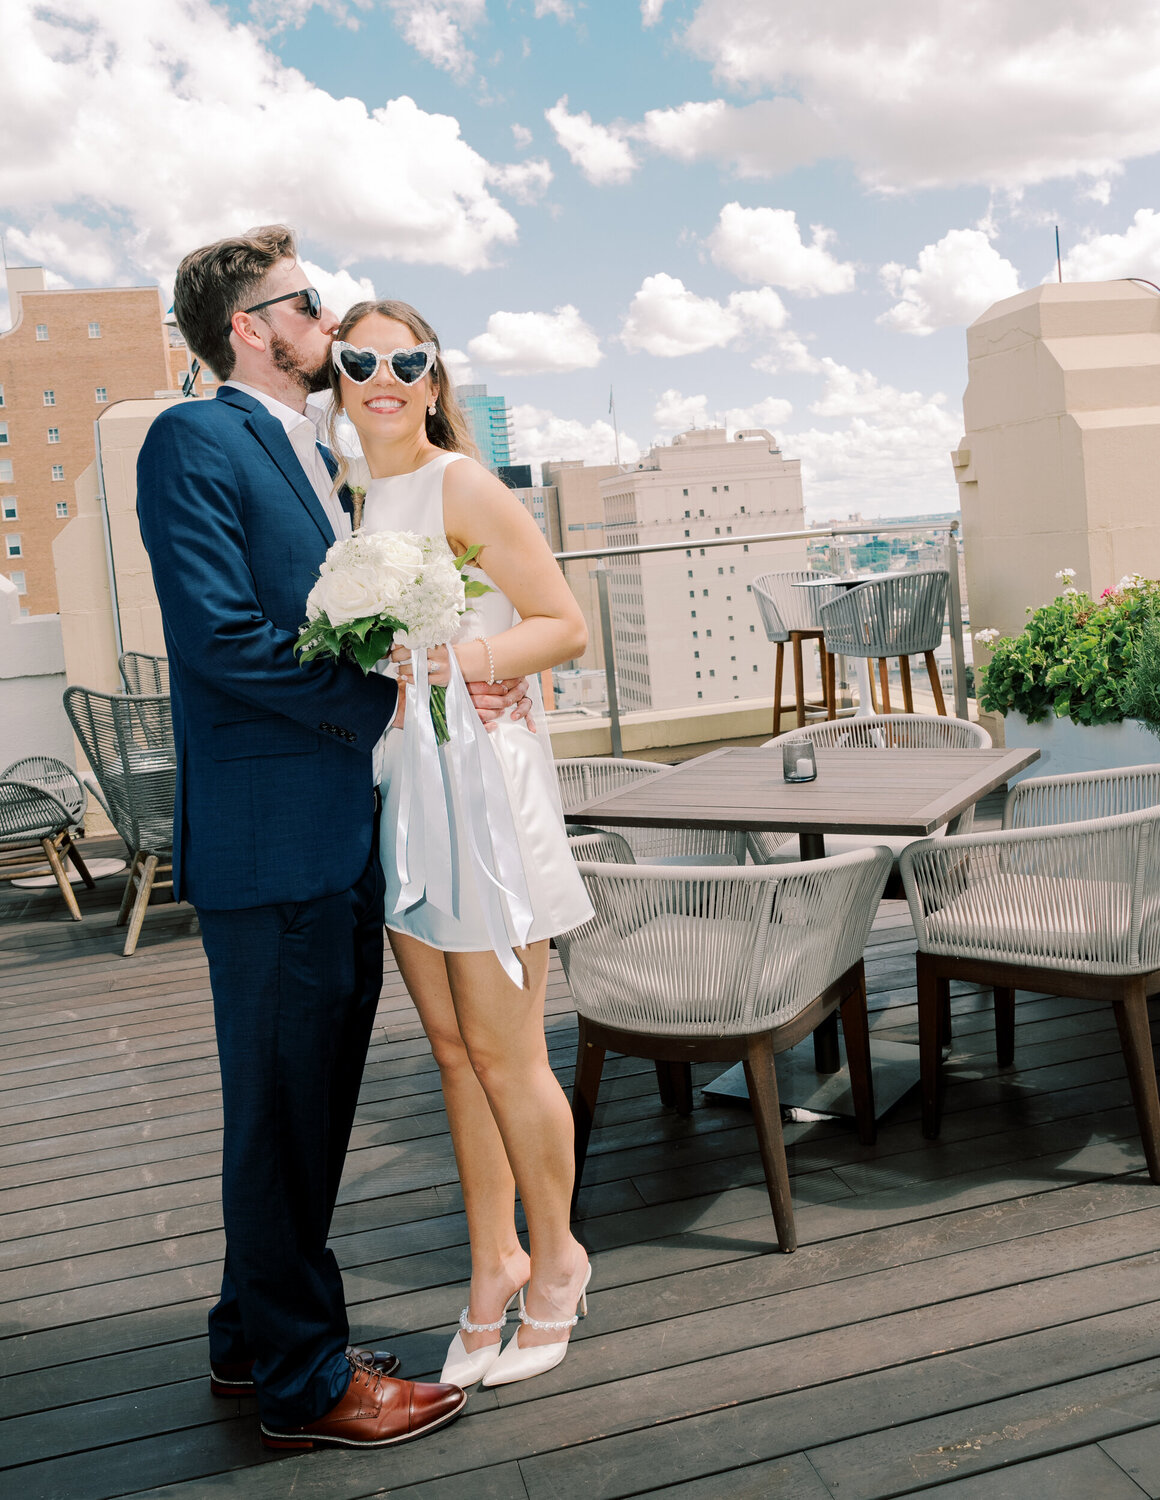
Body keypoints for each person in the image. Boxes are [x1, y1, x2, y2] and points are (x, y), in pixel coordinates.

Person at [136, 226, 531, 1451]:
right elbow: (217, 640)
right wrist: (381, 692)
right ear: (251, 327)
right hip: (273, 841)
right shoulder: (193, 438)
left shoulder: (314, 453)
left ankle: (254, 1341)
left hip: (330, 829)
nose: (329, 320)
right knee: (283, 1108)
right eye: (306, 304)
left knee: (299, 1103)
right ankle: (309, 1385)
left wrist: (461, 660)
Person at [329, 299, 594, 1389]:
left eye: (407, 359)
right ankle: (492, 1266)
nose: (382, 375)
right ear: (338, 381)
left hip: (482, 794)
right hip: (403, 786)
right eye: (359, 359)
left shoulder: (462, 485)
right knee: (450, 1052)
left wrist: (464, 664)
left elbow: (561, 624)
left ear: (435, 380)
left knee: (507, 1051)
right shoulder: (348, 499)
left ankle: (560, 1262)